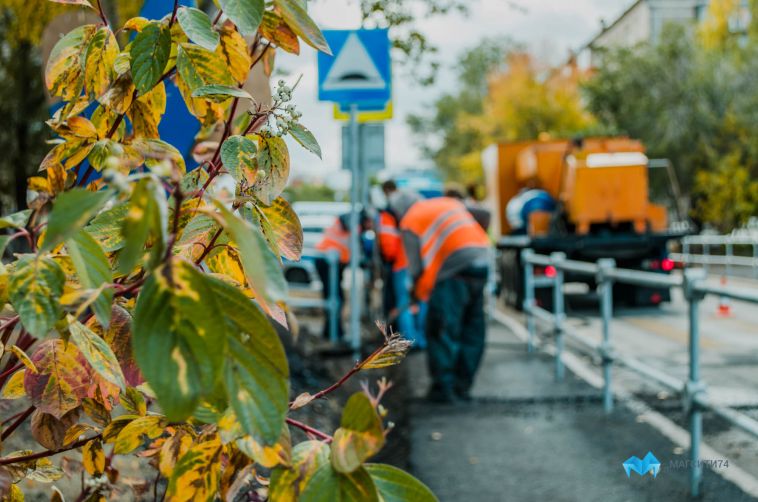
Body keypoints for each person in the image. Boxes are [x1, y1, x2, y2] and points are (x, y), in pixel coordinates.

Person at [396, 195, 491, 403]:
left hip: (454, 271)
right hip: (483, 262)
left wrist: (416, 292)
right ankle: (462, 388)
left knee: (442, 329)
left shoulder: (409, 220)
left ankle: (443, 390)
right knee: (472, 330)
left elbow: (415, 267)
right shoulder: (448, 202)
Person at [314, 211, 370, 340]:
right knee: (334, 298)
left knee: (335, 298)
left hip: (330, 262)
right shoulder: (352, 225)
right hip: (327, 262)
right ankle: (333, 332)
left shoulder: (351, 225)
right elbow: (355, 250)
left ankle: (332, 331)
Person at [386, 190, 425, 348]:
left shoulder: (405, 222)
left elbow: (391, 249)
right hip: (419, 265)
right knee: (421, 301)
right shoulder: (420, 219)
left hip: (402, 266)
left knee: (404, 303)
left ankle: (411, 340)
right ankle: (421, 339)